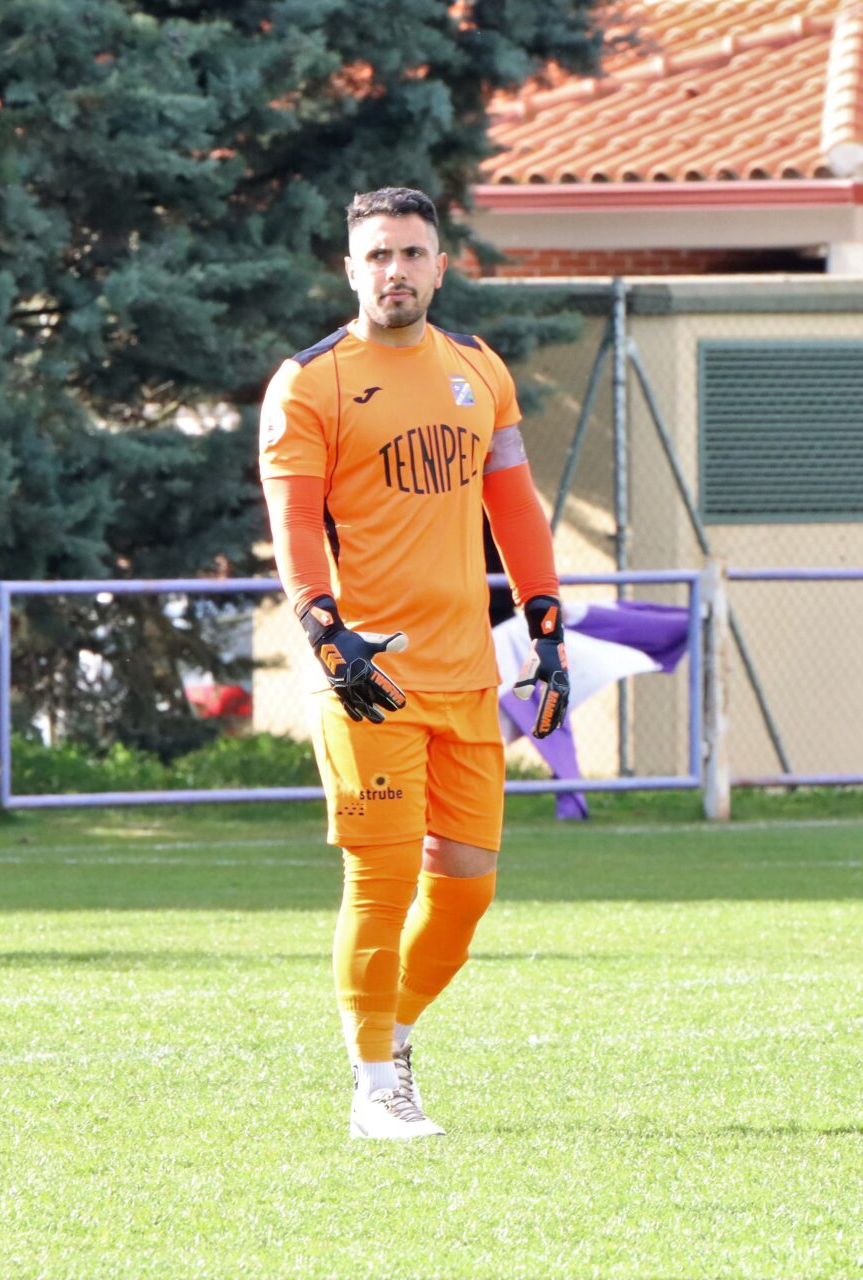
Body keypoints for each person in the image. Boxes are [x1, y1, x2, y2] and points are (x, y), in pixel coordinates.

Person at [258, 187, 570, 1139]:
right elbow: (294, 523)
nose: (395, 270)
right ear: (350, 270)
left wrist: (547, 628)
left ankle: (389, 1039)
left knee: (467, 891)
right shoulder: (307, 383)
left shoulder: (480, 369)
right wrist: (325, 631)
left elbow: (513, 508)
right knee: (382, 884)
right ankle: (373, 1090)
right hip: (370, 678)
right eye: (378, 255)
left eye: (412, 253)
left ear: (440, 266)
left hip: (468, 672)